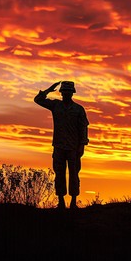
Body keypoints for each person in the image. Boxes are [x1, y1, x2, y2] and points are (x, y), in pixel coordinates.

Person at [34, 81, 89, 209]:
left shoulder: (78, 109)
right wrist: (48, 90)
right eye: (64, 92)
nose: (66, 94)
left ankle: (74, 202)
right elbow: (38, 100)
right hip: (59, 146)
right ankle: (61, 202)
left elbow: (83, 128)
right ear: (61, 93)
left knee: (74, 174)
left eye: (68, 92)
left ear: (72, 93)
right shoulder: (56, 105)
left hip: (74, 148)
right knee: (59, 174)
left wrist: (82, 145)